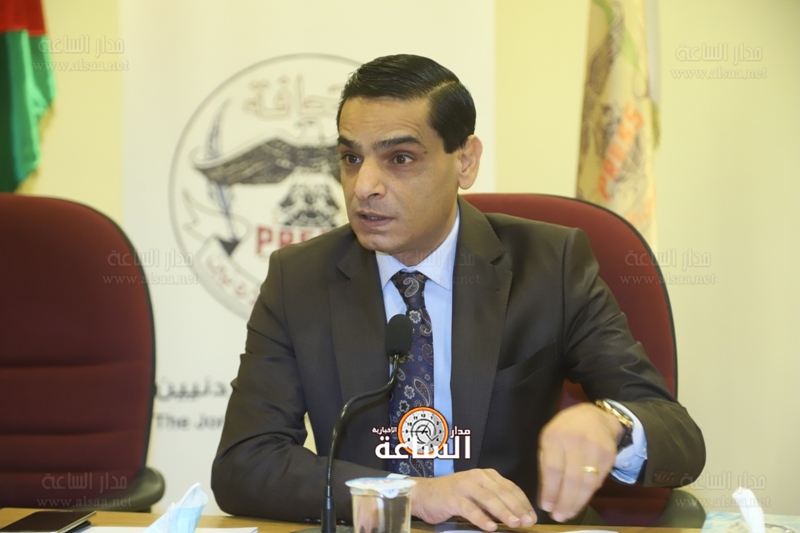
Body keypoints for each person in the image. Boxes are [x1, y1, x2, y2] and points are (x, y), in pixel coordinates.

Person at [212, 54, 705, 530]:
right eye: (351, 158)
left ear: (465, 161)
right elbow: (244, 464)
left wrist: (612, 424)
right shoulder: (299, 279)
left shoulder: (548, 266)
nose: (364, 186)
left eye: (400, 158)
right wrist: (411, 494)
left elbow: (679, 438)